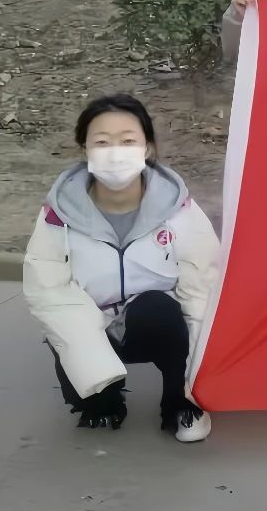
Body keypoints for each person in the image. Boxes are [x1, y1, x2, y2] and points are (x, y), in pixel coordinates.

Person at [22, 94, 220, 443]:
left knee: (159, 307)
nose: (115, 153)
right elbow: (48, 289)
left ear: (148, 148)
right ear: (84, 149)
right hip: (92, 322)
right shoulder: (59, 213)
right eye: (102, 142)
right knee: (90, 387)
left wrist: (198, 378)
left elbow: (201, 284)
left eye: (128, 141)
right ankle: (108, 401)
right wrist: (97, 369)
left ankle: (178, 404)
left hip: (156, 323)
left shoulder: (178, 209)